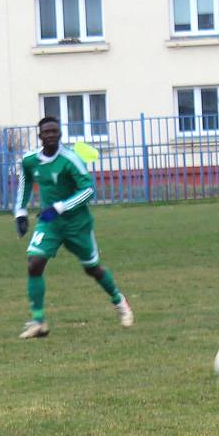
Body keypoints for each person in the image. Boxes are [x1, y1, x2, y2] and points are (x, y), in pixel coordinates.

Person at [13, 116, 133, 339]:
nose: (50, 135)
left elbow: (88, 190)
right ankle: (39, 321)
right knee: (34, 263)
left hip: (77, 224)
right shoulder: (30, 161)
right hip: (49, 223)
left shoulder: (70, 159)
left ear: (60, 135)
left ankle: (120, 302)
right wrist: (20, 212)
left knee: (92, 269)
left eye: (54, 132)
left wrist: (59, 207)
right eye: (46, 132)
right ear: (40, 136)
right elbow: (25, 182)